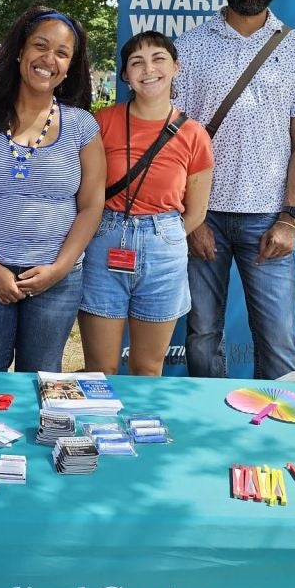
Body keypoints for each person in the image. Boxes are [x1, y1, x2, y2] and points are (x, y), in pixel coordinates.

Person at [174, 0, 295, 380]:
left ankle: (277, 437)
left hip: (269, 220)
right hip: (204, 217)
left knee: (277, 340)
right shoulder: (190, 45)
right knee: (201, 333)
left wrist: (290, 218)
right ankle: (210, 427)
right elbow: (174, 141)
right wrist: (191, 219)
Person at [0, 6, 105, 373]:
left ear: (70, 66)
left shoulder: (82, 127)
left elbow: (92, 206)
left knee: (41, 382)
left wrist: (59, 269)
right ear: (20, 52)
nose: (49, 59)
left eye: (62, 53)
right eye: (40, 46)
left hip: (55, 281)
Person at [78, 32, 213, 377]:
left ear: (176, 68)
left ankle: (141, 432)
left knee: (148, 367)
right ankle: (101, 429)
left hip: (164, 248)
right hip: (104, 241)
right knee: (101, 367)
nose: (148, 69)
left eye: (158, 59)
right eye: (136, 62)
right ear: (125, 75)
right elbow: (83, 190)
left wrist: (163, 236)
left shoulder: (194, 133)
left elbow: (196, 210)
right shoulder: (102, 122)